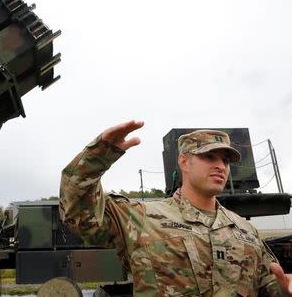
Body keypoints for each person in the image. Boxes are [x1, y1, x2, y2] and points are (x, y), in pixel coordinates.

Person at [59, 120, 292, 296]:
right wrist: (98, 155)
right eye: (209, 157)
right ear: (183, 162)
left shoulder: (246, 231)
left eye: (225, 160)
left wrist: (284, 290)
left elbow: (268, 284)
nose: (220, 166)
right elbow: (78, 211)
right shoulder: (143, 218)